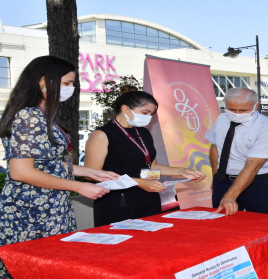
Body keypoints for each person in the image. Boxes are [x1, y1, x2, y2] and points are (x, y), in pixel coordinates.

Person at [0, 55, 118, 278]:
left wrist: (91, 172)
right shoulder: (29, 115)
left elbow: (48, 163)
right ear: (43, 80)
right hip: (30, 210)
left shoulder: (43, 115)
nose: (71, 88)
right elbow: (21, 171)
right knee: (33, 268)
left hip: (49, 205)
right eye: (66, 83)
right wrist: (77, 187)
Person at [84, 91, 206, 226]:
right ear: (125, 109)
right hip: (117, 200)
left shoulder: (143, 132)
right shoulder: (102, 134)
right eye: (145, 113)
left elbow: (149, 168)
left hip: (148, 196)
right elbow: (92, 175)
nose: (148, 117)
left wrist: (181, 172)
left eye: (151, 114)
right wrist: (139, 182)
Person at [206, 87, 268, 216]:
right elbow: (215, 147)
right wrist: (216, 176)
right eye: (231, 109)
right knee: (223, 225)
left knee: (261, 226)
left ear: (256, 106)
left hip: (260, 184)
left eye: (243, 110)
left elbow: (252, 166)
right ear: (224, 103)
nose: (237, 113)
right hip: (224, 180)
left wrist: (230, 196)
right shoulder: (222, 119)